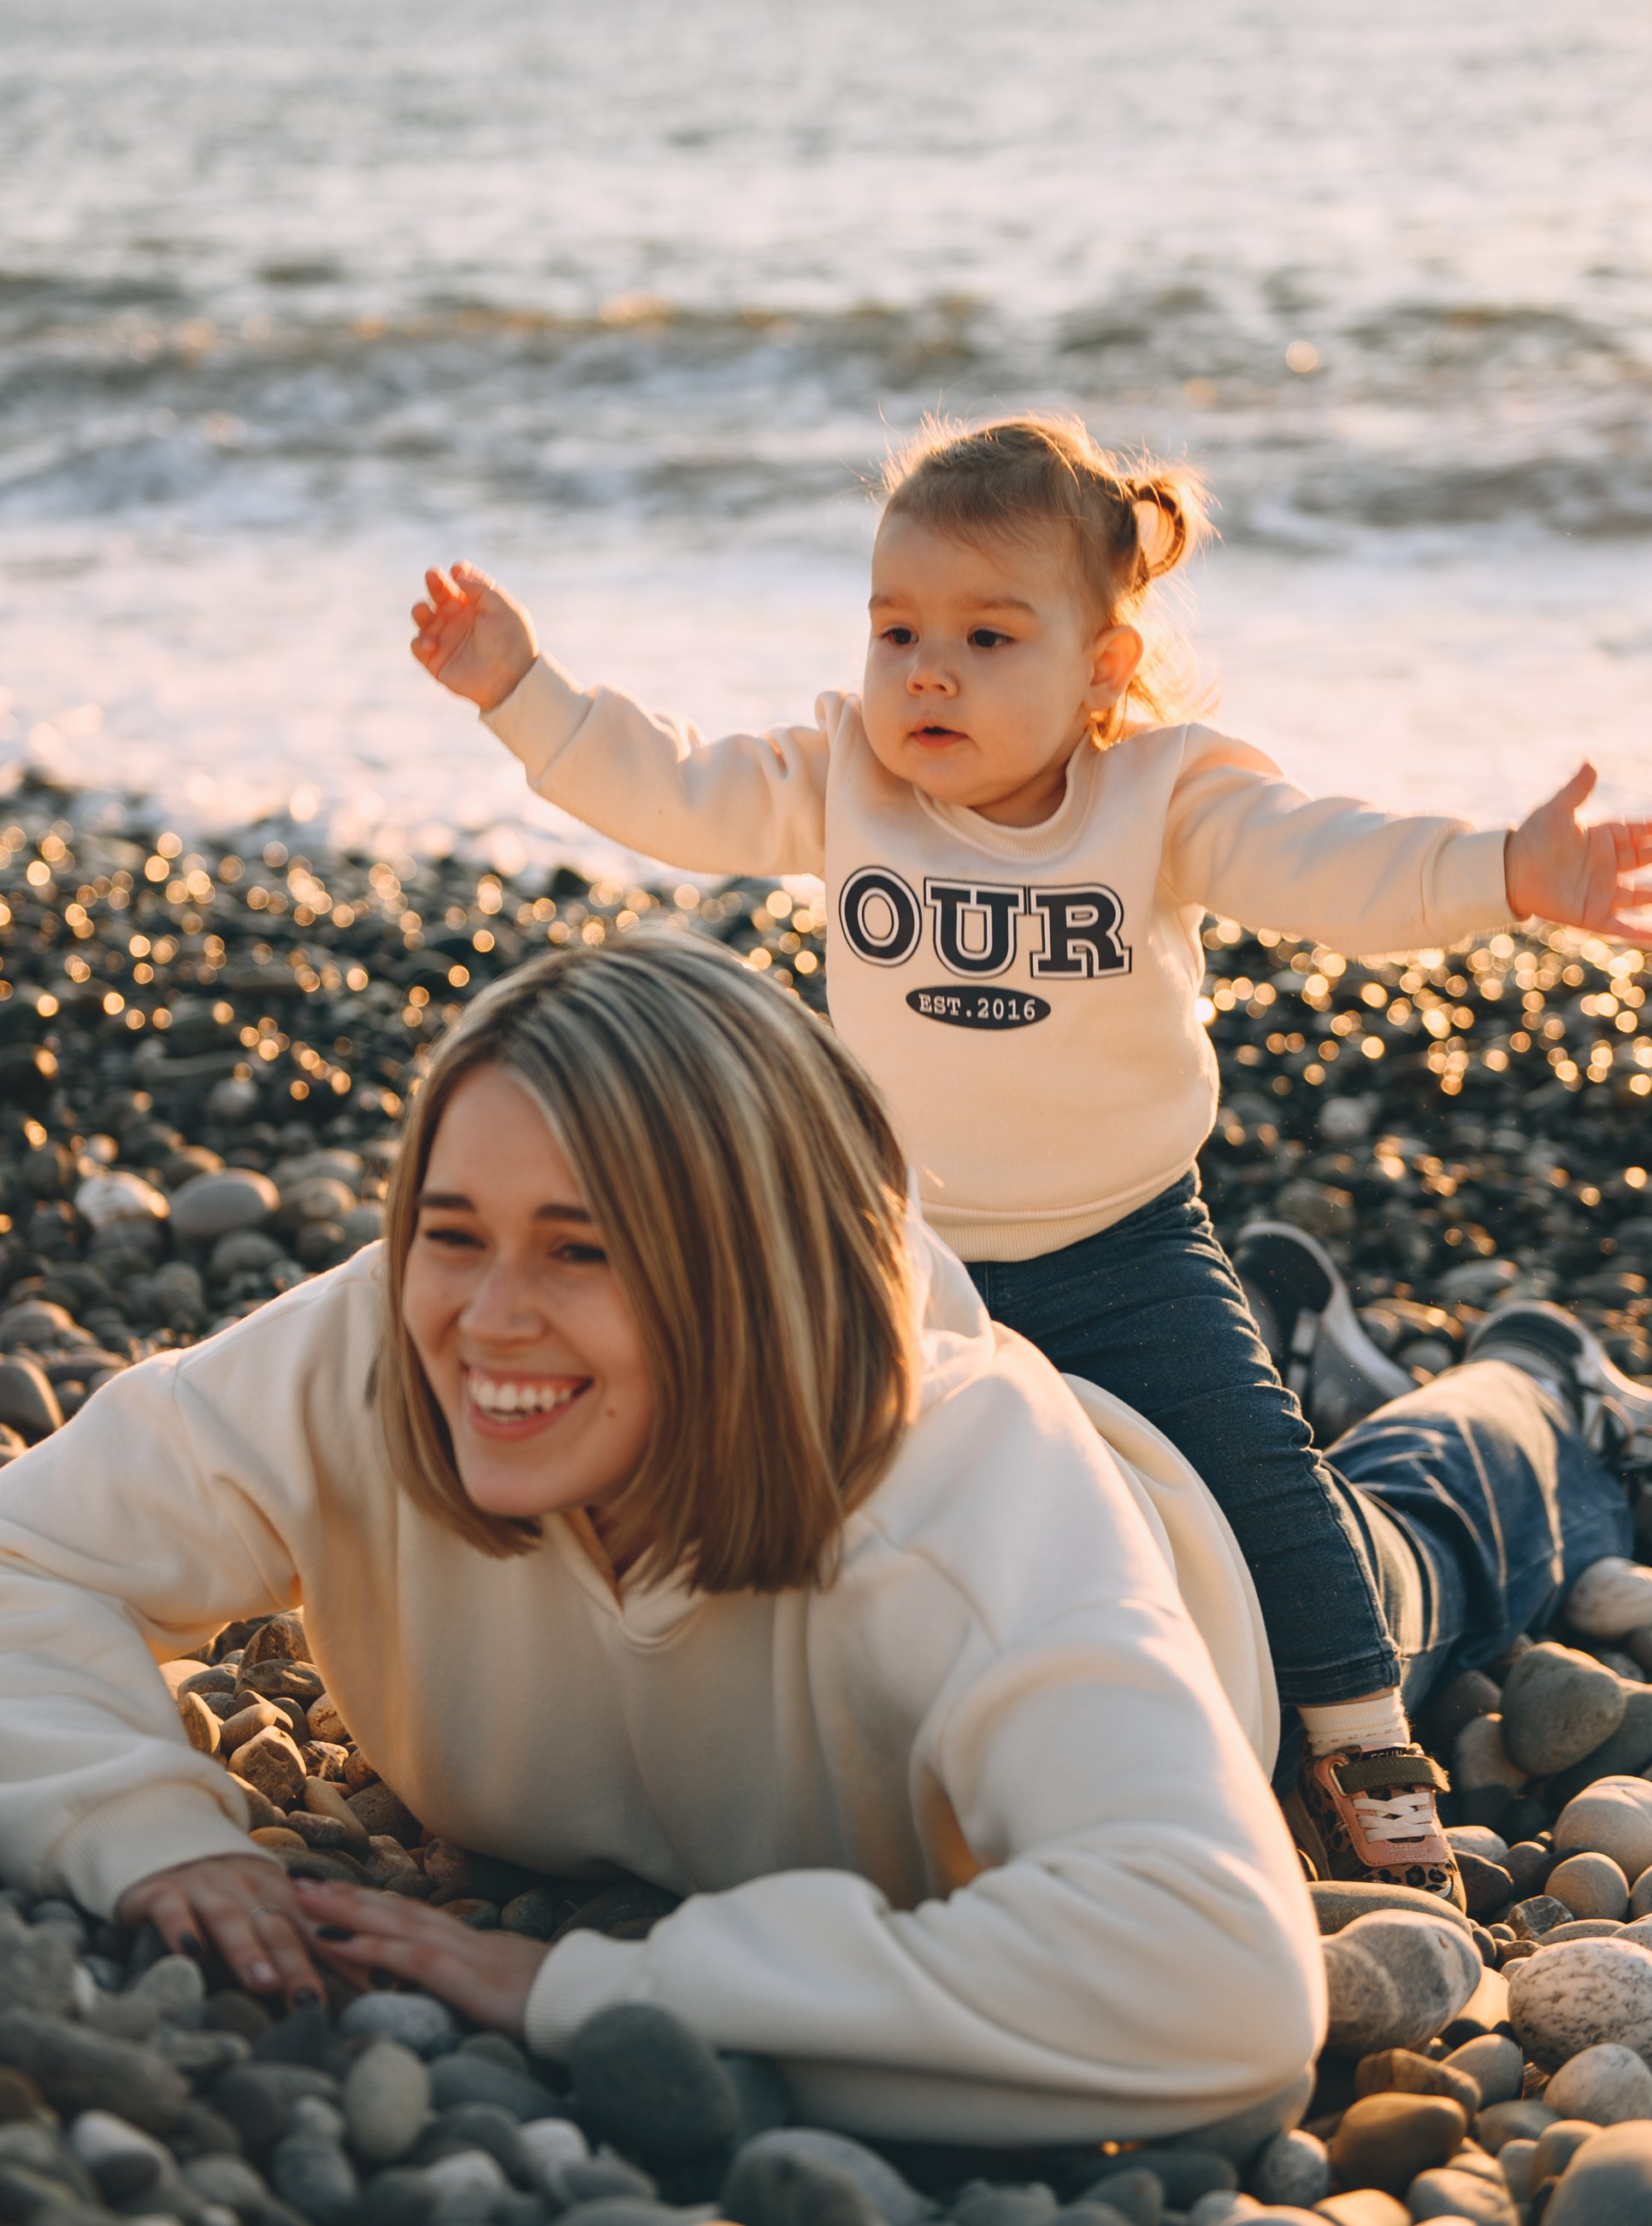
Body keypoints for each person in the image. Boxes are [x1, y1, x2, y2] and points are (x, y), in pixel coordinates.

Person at [0, 940, 1646, 2146]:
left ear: (748, 1278)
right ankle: (1287, 1337)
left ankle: (1539, 1384)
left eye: (582, 1252)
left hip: (1187, 1582)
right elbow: (25, 1554)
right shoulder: (381, 1344)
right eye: (452, 1232)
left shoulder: (961, 1475)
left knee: (1413, 1548)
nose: (487, 1318)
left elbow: (1216, 1986)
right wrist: (148, 1834)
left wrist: (587, 1991)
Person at [407, 411, 1652, 1901]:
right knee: (775, 1473)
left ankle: (1363, 1751)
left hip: (1125, 1251)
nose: (927, 673)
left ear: (1102, 667)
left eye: (988, 638)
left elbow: (1333, 861)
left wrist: (1505, 872)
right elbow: (672, 788)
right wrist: (521, 690)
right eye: (898, 631)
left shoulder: (1162, 796)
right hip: (894, 1258)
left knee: (1263, 1483)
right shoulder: (845, 779)